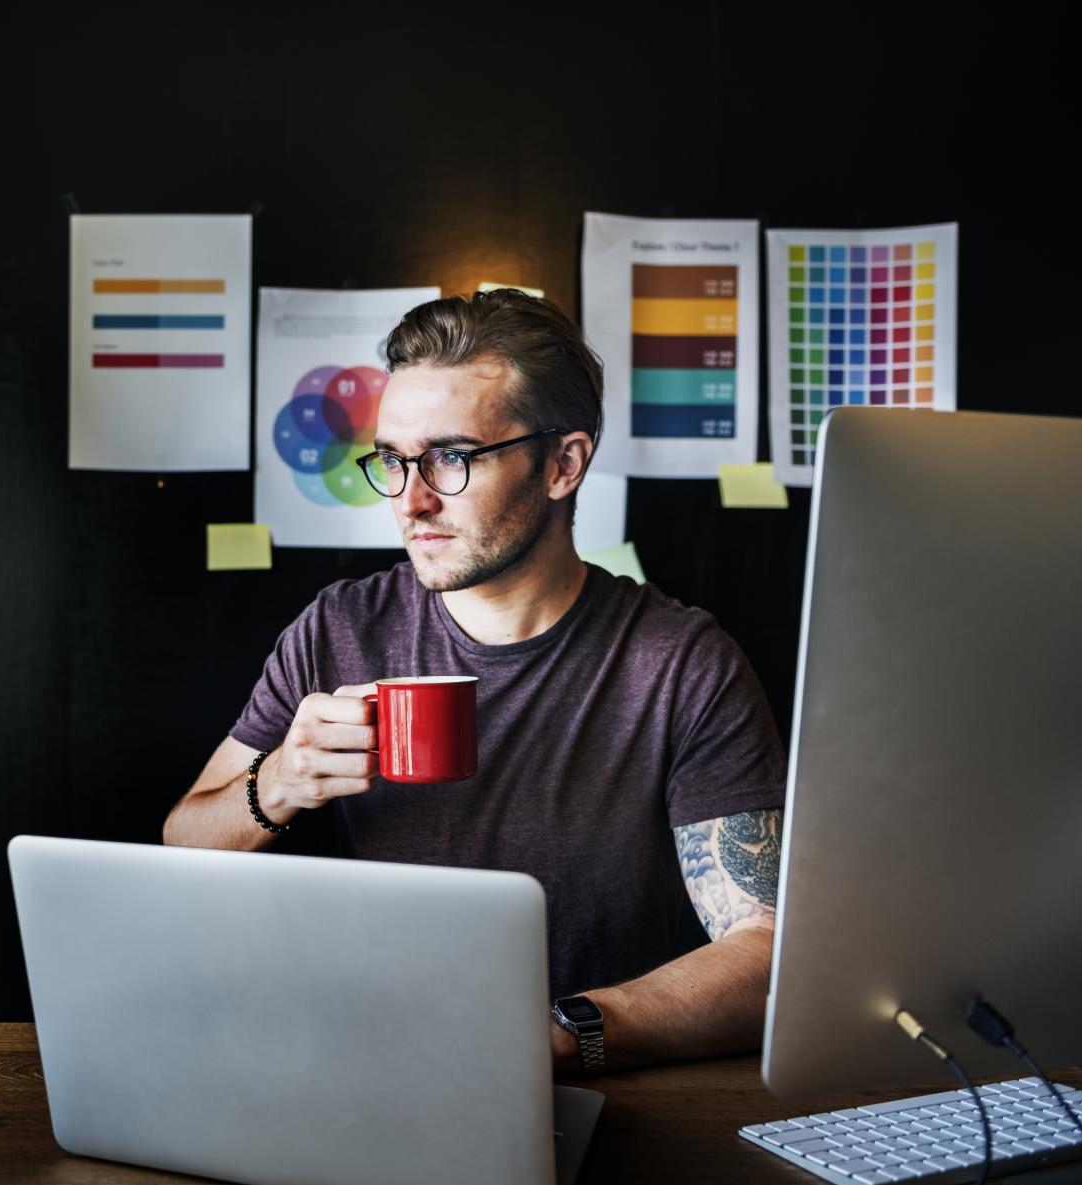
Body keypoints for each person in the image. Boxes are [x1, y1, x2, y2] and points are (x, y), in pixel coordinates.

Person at [162, 289, 787, 1078]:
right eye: (393, 459)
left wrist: (565, 1035)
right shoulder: (338, 630)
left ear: (564, 464)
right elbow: (182, 843)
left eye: (452, 457)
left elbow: (767, 955)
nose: (411, 499)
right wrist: (279, 783)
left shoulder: (680, 665)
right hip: (365, 1073)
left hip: (603, 1091)